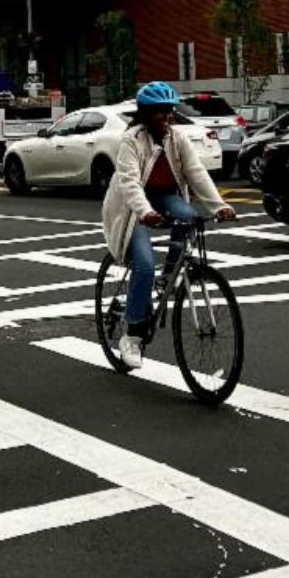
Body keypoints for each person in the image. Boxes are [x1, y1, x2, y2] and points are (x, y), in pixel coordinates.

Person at [101, 81, 235, 369]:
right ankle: (132, 336)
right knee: (145, 265)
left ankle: (169, 276)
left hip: (161, 196)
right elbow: (129, 183)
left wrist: (219, 205)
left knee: (187, 215)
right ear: (147, 115)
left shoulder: (177, 138)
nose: (168, 117)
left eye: (170, 111)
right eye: (161, 113)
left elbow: (196, 173)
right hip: (130, 207)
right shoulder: (131, 140)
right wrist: (145, 212)